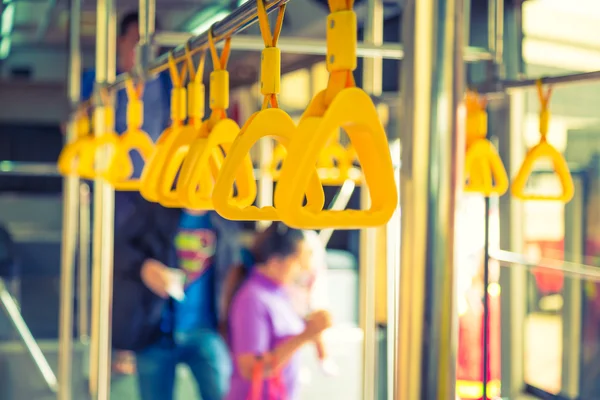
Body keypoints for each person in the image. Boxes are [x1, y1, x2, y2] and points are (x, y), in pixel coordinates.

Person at [78, 11, 172, 374]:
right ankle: (113, 341)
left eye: (152, 45)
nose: (145, 52)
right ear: (119, 43)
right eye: (137, 43)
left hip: (154, 186)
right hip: (115, 186)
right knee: (117, 259)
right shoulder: (99, 81)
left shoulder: (165, 81)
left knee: (151, 258)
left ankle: (138, 339)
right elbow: (82, 124)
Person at [112, 199, 241, 400]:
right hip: (155, 331)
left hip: (206, 331)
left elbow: (235, 272)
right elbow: (117, 249)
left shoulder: (227, 219)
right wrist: (143, 267)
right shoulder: (153, 209)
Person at [226, 223, 333, 400]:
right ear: (275, 263)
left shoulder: (279, 292)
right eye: (298, 262)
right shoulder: (252, 299)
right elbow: (251, 369)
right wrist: (305, 335)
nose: (303, 269)